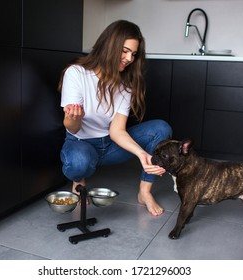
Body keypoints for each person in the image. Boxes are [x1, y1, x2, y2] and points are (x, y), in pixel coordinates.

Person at [58, 20, 172, 216]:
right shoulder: (76, 73)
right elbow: (72, 128)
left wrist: (142, 155)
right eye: (125, 51)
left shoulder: (125, 84)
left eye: (133, 54)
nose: (129, 58)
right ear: (110, 45)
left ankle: (144, 192)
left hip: (110, 145)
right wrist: (75, 117)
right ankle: (79, 183)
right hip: (81, 143)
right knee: (78, 162)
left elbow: (117, 130)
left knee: (161, 128)